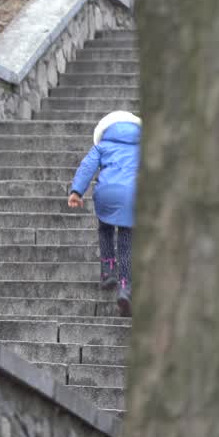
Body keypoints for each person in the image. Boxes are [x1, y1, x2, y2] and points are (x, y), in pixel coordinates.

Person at [68, 110, 141, 317]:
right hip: (132, 194)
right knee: (127, 240)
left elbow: (87, 166)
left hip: (107, 193)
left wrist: (76, 191)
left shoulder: (103, 145)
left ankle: (108, 268)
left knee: (105, 228)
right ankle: (125, 287)